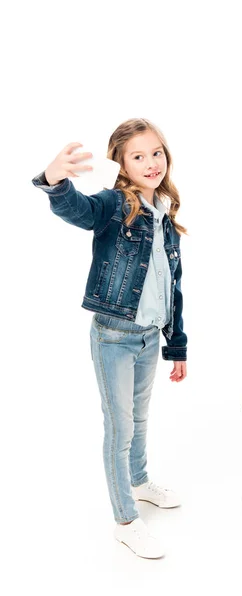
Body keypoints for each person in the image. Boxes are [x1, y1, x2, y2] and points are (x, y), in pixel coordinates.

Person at [32, 118, 188, 559]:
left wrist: (176, 346)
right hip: (114, 338)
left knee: (139, 419)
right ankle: (125, 519)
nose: (151, 162)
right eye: (138, 156)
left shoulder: (166, 215)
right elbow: (77, 210)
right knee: (119, 427)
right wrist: (54, 180)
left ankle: (139, 482)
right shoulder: (115, 205)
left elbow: (173, 286)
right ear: (120, 162)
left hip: (149, 340)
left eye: (156, 152)